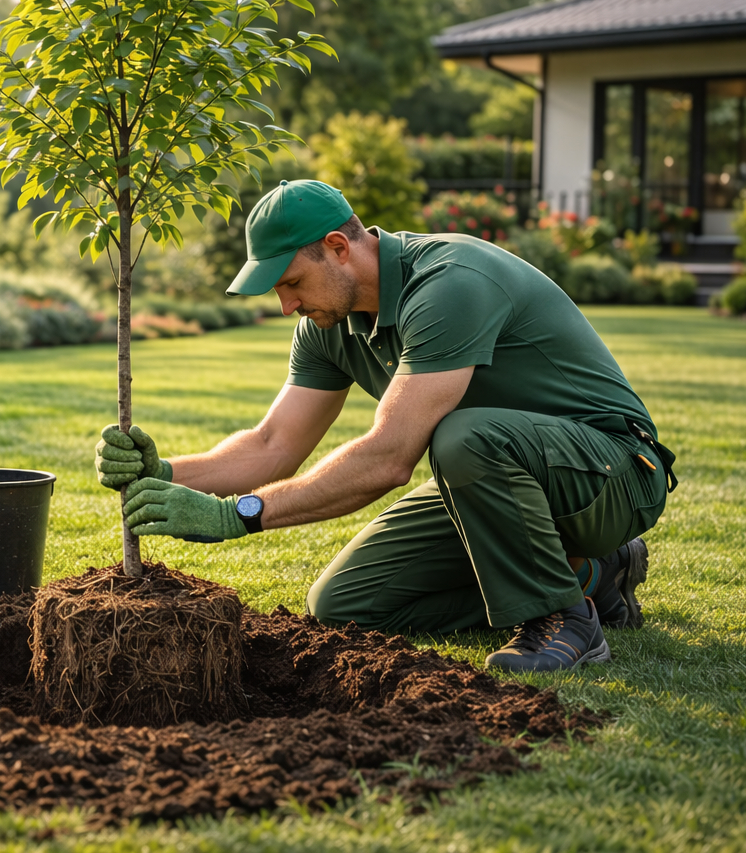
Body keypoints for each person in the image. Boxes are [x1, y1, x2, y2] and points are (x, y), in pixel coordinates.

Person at [94, 179, 676, 672]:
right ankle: (591, 577)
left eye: (291, 283)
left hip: (613, 472)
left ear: (338, 247)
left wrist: (236, 515)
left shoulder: (448, 284)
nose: (286, 306)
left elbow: (389, 457)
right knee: (344, 605)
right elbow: (273, 445)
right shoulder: (328, 327)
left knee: (464, 437)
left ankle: (562, 619)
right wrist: (166, 472)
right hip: (503, 484)